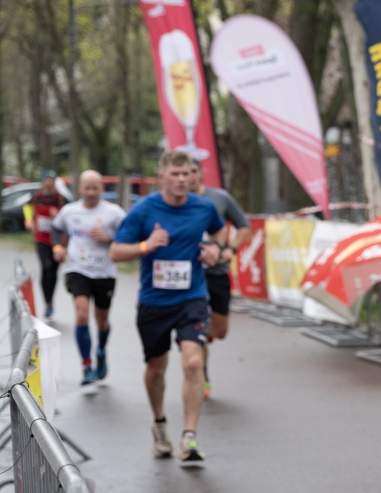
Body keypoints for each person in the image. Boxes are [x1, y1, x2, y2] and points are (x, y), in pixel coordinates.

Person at [110, 150, 224, 465]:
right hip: (154, 302)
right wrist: (146, 245)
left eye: (187, 173)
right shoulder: (144, 210)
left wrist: (215, 249)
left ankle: (190, 436)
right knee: (156, 368)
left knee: (193, 363)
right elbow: (116, 252)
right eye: (175, 174)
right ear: (161, 177)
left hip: (192, 297)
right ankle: (160, 424)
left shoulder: (203, 207)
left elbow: (219, 231)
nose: (182, 179)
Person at [51, 170, 126, 384]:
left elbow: (129, 236)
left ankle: (100, 350)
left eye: (95, 188)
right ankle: (86, 365)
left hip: (105, 272)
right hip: (77, 269)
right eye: (87, 188)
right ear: (80, 189)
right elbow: (56, 229)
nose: (91, 192)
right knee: (82, 314)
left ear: (102, 188)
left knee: (102, 321)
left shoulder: (114, 213)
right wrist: (57, 247)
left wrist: (109, 238)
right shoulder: (69, 211)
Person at [188, 159, 250, 399]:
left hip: (217, 272)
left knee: (220, 330)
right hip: (190, 273)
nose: (188, 177)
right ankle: (202, 374)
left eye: (193, 171)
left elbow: (243, 226)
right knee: (198, 328)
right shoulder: (176, 201)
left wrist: (230, 249)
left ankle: (203, 336)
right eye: (183, 172)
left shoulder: (219, 197)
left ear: (201, 173)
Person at [27, 170, 68, 319]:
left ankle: (50, 300)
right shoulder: (36, 196)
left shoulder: (61, 199)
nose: (49, 182)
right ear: (43, 181)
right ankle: (47, 302)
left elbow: (69, 216)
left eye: (51, 180)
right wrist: (28, 220)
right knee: (46, 267)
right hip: (41, 238)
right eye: (46, 179)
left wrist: (59, 216)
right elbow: (27, 208)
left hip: (57, 241)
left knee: (53, 271)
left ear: (54, 182)